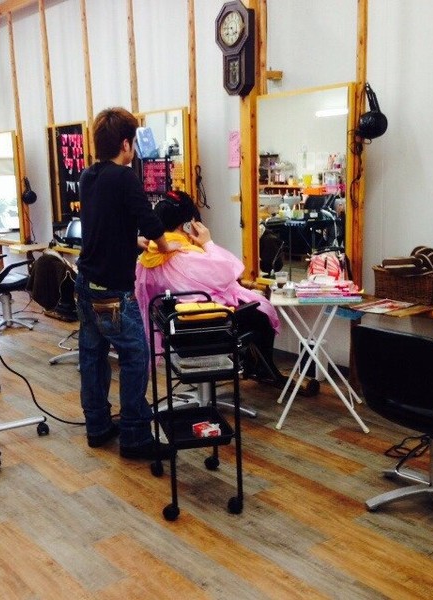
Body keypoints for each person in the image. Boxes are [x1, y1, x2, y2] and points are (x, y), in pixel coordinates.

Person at [136, 191, 318, 394]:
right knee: (262, 311)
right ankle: (265, 371)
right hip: (203, 326)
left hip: (176, 326)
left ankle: (257, 367)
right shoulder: (184, 254)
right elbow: (227, 272)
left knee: (253, 305)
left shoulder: (149, 255)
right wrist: (207, 242)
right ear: (186, 225)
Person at [75, 107, 179, 460]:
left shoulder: (88, 176)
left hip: (85, 283)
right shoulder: (124, 177)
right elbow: (149, 221)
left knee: (93, 355)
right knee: (136, 355)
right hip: (111, 291)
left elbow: (103, 225)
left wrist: (133, 242)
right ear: (125, 143)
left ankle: (97, 426)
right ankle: (134, 436)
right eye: (133, 141)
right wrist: (165, 246)